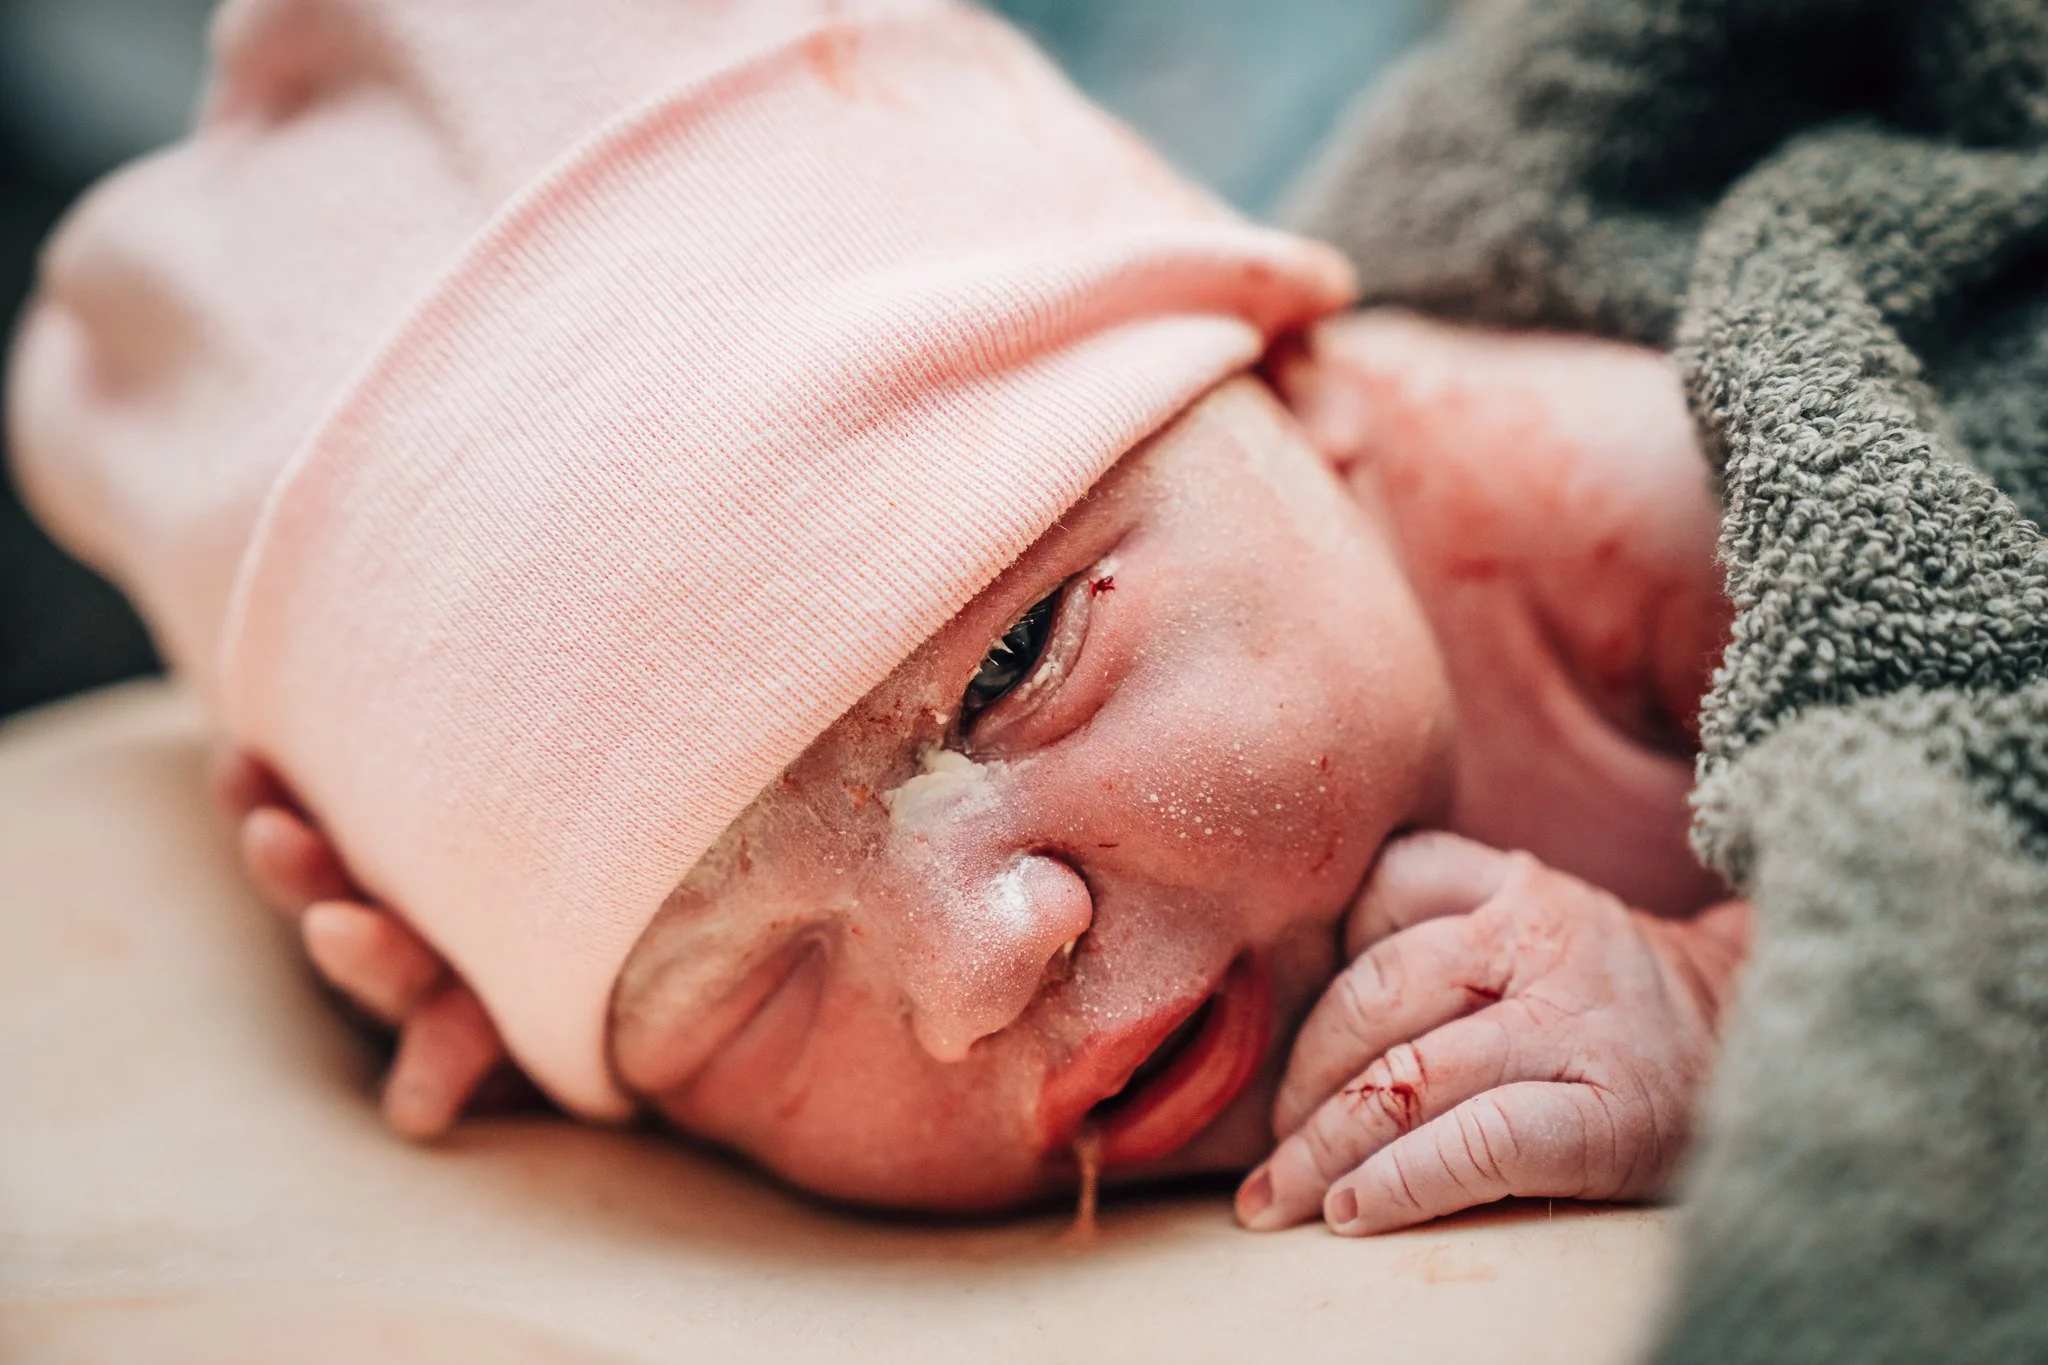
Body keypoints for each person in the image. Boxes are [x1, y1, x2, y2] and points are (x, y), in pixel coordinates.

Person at [9, 0, 1746, 1234]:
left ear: (1291, 381)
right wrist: (560, 1022)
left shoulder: (1611, 517)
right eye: (750, 988)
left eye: (1013, 668)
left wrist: (1727, 1008)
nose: (981, 962)